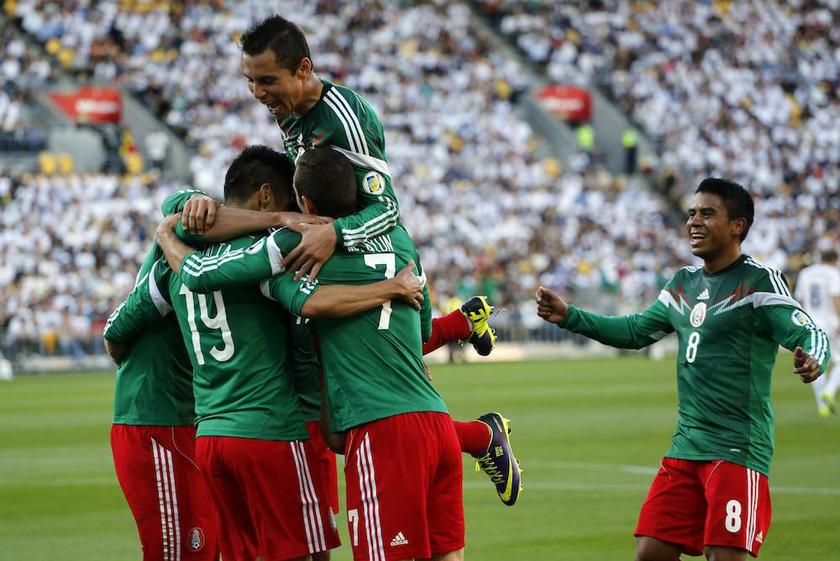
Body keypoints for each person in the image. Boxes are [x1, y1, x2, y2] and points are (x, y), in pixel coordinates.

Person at [107, 146, 426, 561]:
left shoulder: (175, 255)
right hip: (270, 427)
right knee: (304, 552)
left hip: (209, 432)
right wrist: (391, 288)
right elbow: (311, 306)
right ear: (265, 196)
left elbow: (117, 329)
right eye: (289, 204)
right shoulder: (269, 253)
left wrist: (168, 230)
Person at [173, 146, 523, 508]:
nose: (292, 212)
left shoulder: (291, 239)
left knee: (364, 385)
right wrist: (191, 202)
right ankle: (465, 343)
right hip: (287, 407)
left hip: (296, 411)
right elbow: (177, 206)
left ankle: (466, 353)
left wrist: (167, 234)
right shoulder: (392, 235)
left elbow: (196, 265)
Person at [536, 178, 830, 561]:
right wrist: (570, 316)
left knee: (722, 556)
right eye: (692, 213)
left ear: (737, 225)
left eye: (708, 214)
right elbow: (635, 331)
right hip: (686, 445)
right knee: (651, 552)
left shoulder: (758, 281)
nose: (694, 221)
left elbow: (808, 330)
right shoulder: (683, 284)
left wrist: (812, 356)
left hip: (737, 447)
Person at [104, 189, 221, 561]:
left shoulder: (176, 265)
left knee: (202, 547)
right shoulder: (166, 269)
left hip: (179, 418)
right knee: (175, 552)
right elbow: (113, 334)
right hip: (156, 420)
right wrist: (198, 199)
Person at [794, 249, 840, 416]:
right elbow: (836, 297)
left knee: (814, 363)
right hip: (831, 323)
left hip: (811, 325)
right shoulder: (833, 273)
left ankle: (822, 405)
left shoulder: (806, 273)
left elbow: (799, 301)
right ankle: (829, 390)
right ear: (835, 260)